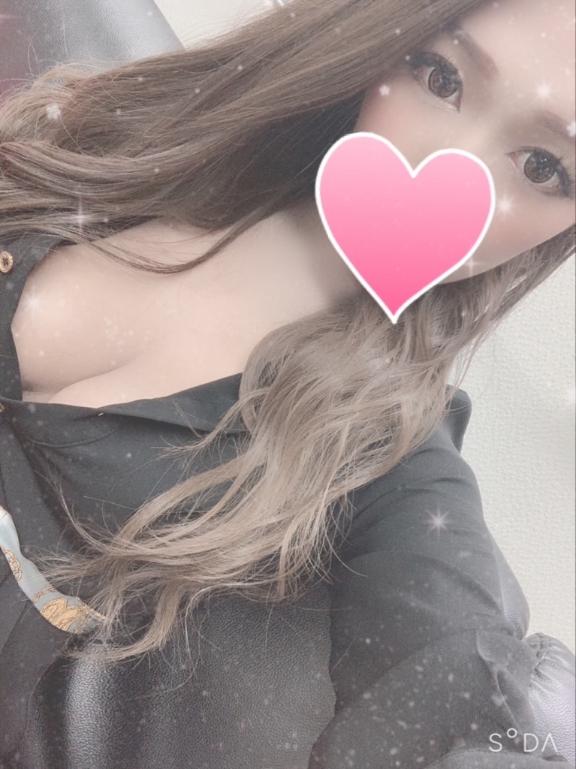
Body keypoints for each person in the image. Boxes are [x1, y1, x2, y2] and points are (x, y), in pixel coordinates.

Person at [0, 0, 574, 766]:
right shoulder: (121, 133)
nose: (450, 161)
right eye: (440, 76)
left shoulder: (393, 464)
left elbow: (452, 693)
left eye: (544, 167)